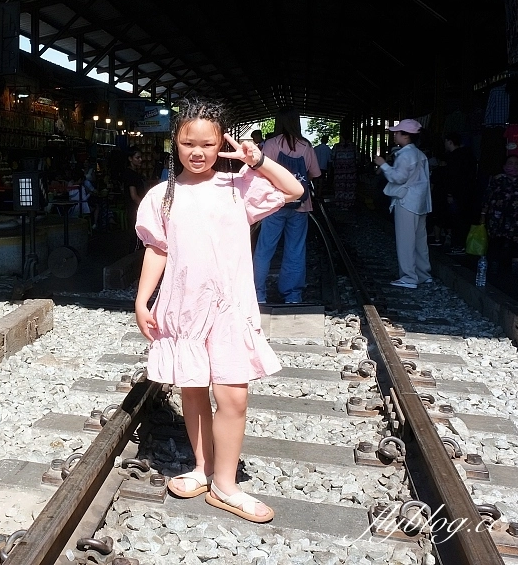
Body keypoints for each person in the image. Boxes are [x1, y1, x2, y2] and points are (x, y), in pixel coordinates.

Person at [135, 97, 303, 523]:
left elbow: (294, 189)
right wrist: (142, 298)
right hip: (183, 308)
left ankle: (225, 486)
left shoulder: (237, 187)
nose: (197, 152)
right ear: (174, 142)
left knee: (232, 397)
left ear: (221, 144)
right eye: (188, 142)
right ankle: (201, 467)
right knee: (192, 389)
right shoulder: (161, 196)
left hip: (230, 307)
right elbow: (157, 248)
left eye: (207, 144)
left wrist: (258, 159)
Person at [252, 112, 321, 303]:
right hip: (300, 205)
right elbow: (315, 173)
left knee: (264, 249)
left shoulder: (271, 144)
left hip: (274, 204)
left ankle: (258, 294)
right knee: (295, 250)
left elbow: (260, 172)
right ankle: (292, 295)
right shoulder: (306, 145)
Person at [375, 119, 433, 289]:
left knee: (406, 241)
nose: (394, 135)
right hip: (420, 202)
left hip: (406, 201)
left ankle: (408, 277)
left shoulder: (406, 155)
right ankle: (423, 274)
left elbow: (398, 178)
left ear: (406, 136)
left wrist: (383, 165)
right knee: (420, 241)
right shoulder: (420, 154)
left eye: (397, 132)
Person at [481, 155, 518, 275]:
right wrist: (483, 214)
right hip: (497, 219)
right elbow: (487, 198)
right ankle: (493, 269)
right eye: (510, 163)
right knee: (495, 242)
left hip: (517, 220)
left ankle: (515, 270)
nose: (513, 166)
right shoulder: (497, 180)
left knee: (517, 244)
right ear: (504, 165)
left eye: (516, 163)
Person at [441, 133, 479, 256]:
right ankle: (462, 245)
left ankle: (458, 245)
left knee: (457, 219)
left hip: (457, 193)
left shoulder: (454, 157)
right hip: (469, 193)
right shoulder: (469, 155)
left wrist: (450, 193)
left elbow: (452, 177)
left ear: (449, 141)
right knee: (463, 219)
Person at [331, 125, 358, 212]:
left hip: (339, 172)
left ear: (341, 137)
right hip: (351, 172)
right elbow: (358, 158)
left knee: (340, 188)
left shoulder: (336, 146)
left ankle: (340, 203)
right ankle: (349, 204)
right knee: (349, 188)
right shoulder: (353, 147)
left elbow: (332, 157)